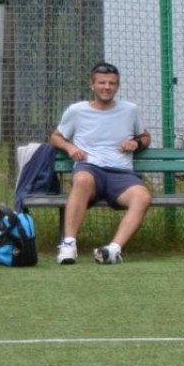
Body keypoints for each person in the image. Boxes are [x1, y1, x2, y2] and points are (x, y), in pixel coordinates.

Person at [50, 62, 152, 265]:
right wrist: (70, 148)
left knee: (143, 196)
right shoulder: (76, 110)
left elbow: (146, 137)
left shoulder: (130, 110)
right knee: (81, 180)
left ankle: (113, 250)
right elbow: (56, 137)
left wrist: (136, 142)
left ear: (117, 86)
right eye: (102, 82)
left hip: (121, 173)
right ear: (92, 84)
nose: (107, 87)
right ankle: (69, 245)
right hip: (90, 168)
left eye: (112, 83)